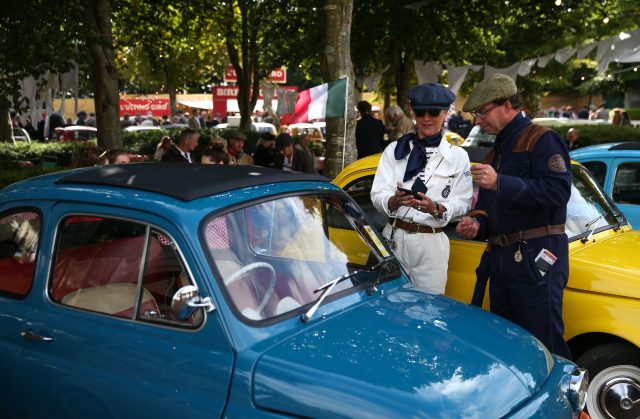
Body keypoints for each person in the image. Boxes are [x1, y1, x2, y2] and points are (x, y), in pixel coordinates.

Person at [455, 73, 572, 359]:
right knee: (506, 346)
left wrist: (500, 182)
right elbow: (487, 207)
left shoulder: (542, 139)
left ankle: (566, 400)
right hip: (502, 260)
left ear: (507, 105)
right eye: (476, 114)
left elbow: (558, 192)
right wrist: (477, 224)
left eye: (483, 112)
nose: (478, 120)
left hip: (537, 257)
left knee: (544, 346)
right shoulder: (495, 153)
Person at [370, 83, 473, 294]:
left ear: (446, 113)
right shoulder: (394, 150)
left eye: (434, 112)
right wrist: (394, 200)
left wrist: (435, 208)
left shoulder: (458, 156)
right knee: (390, 304)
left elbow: (463, 202)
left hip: (431, 243)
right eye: (420, 111)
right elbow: (377, 194)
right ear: (411, 111)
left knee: (427, 308)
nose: (426, 118)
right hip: (394, 237)